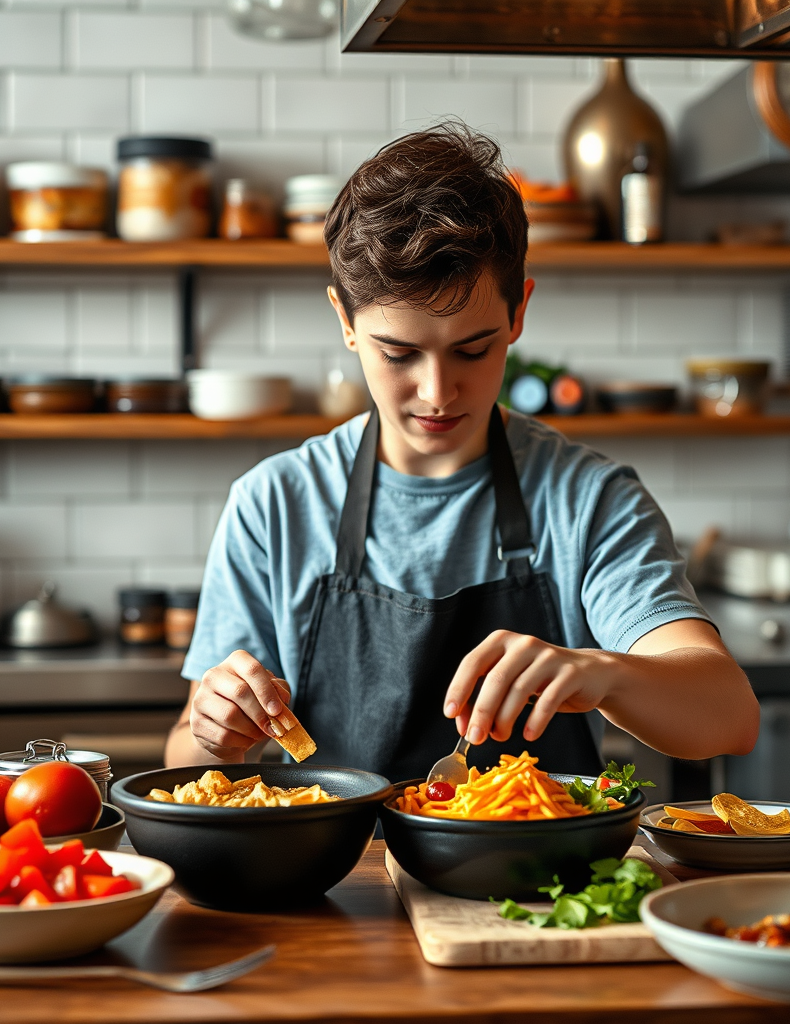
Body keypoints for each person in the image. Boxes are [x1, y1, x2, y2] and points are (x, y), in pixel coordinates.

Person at [165, 124, 759, 779]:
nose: (438, 392)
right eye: (400, 354)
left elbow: (728, 716)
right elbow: (186, 755)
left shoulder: (588, 499)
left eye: (472, 350)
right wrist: (213, 730)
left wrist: (602, 673)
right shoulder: (275, 504)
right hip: (335, 875)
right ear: (345, 321)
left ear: (518, 312)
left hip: (527, 878)